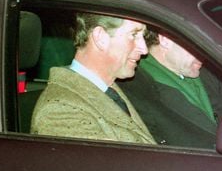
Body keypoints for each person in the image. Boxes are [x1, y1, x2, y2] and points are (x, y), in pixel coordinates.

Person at [30, 13, 156, 144]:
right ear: (100, 37)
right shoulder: (59, 113)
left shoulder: (110, 87)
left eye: (143, 36)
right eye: (134, 35)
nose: (144, 49)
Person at [120, 30, 222, 148]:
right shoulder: (134, 90)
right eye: (197, 44)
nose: (205, 53)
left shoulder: (209, 72)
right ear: (166, 40)